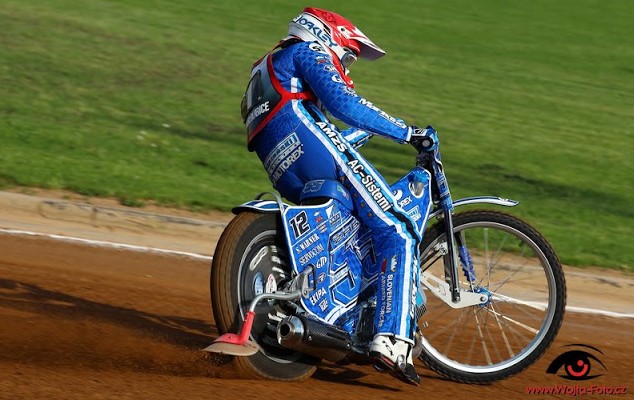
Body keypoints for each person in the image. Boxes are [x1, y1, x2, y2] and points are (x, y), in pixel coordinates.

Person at [240, 7, 435, 385]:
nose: (346, 67)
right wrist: (408, 133)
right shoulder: (306, 51)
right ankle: (392, 340)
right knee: (398, 229)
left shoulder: (267, 66)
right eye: (348, 56)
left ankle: (343, 318)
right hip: (309, 142)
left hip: (282, 163)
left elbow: (305, 121)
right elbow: (344, 104)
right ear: (326, 35)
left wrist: (371, 131)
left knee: (352, 227)